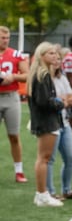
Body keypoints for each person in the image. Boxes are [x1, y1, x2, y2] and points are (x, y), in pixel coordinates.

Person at [27, 43, 66, 207]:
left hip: (46, 120)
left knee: (44, 158)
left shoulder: (40, 73)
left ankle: (42, 193)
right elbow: (44, 102)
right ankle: (42, 194)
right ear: (41, 55)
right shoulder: (42, 75)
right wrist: (60, 103)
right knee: (44, 158)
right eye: (50, 53)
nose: (54, 56)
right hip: (46, 121)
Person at [47, 55, 72, 200]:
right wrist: (62, 101)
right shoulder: (44, 79)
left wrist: (61, 101)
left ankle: (66, 190)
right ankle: (50, 192)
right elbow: (47, 101)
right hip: (50, 122)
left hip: (64, 121)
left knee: (70, 157)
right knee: (49, 159)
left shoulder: (61, 77)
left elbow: (71, 98)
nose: (57, 61)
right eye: (53, 57)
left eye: (58, 58)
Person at [0, 25, 29, 182]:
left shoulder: (15, 55)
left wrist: (13, 77)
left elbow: (27, 75)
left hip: (11, 97)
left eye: (7, 38)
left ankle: (19, 170)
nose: (5, 40)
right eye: (2, 38)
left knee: (14, 136)